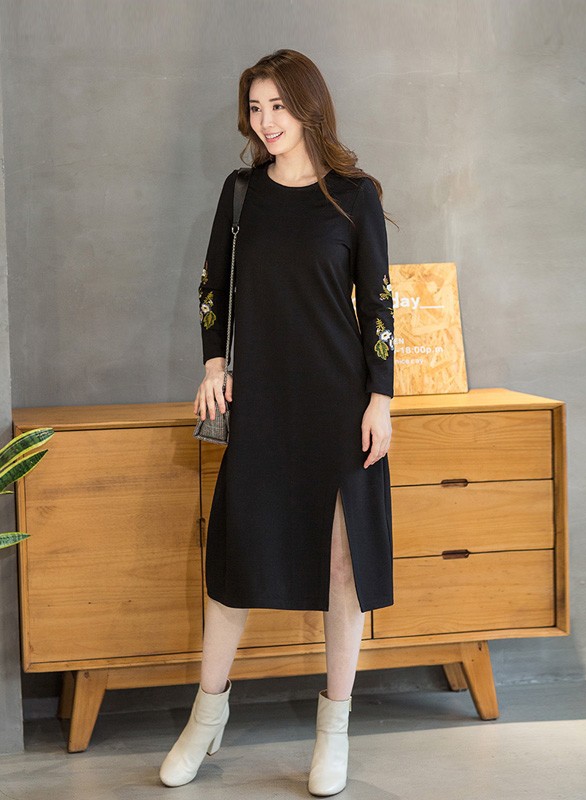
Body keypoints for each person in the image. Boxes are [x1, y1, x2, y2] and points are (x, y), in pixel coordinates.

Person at [159, 48, 396, 797]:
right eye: (256, 109)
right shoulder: (240, 196)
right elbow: (213, 288)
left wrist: (382, 399)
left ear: (309, 106)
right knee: (235, 568)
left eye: (279, 107)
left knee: (342, 569)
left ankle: (334, 730)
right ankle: (206, 719)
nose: (266, 122)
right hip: (261, 402)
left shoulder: (355, 196)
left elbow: (379, 304)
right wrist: (213, 365)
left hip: (339, 403)